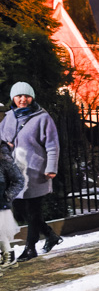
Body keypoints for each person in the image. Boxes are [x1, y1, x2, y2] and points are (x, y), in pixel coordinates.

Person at [0, 82, 61, 261]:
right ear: (13, 98)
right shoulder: (8, 117)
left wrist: (51, 168)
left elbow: (52, 146)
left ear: (32, 97)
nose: (23, 99)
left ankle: (30, 248)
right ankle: (50, 235)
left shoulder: (43, 118)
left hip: (36, 172)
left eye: (26, 96)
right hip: (15, 174)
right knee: (21, 210)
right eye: (19, 96)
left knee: (34, 211)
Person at [0, 142, 26, 267]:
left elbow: (18, 180)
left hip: (1, 203)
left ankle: (9, 257)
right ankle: (8, 256)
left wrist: (7, 195)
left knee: (1, 232)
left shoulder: (4, 159)